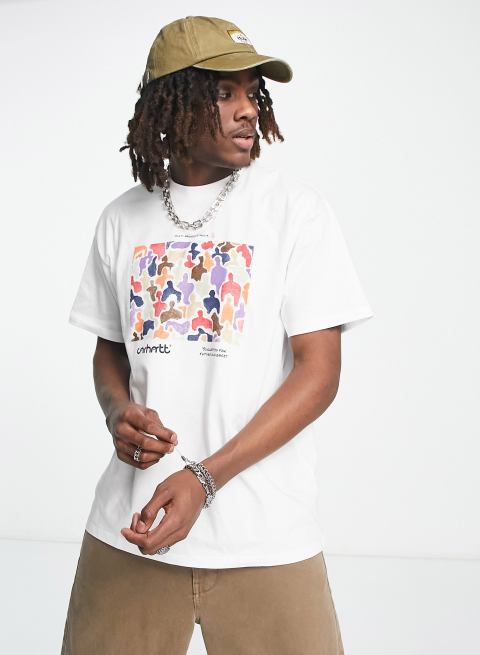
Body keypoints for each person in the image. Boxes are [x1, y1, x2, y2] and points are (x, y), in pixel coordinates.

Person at [61, 15, 374, 655]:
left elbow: (319, 374)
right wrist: (118, 412)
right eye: (223, 93)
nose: (247, 110)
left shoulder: (295, 213)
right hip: (131, 528)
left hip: (265, 535)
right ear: (170, 104)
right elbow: (108, 352)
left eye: (252, 93)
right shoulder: (122, 219)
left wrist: (205, 479)